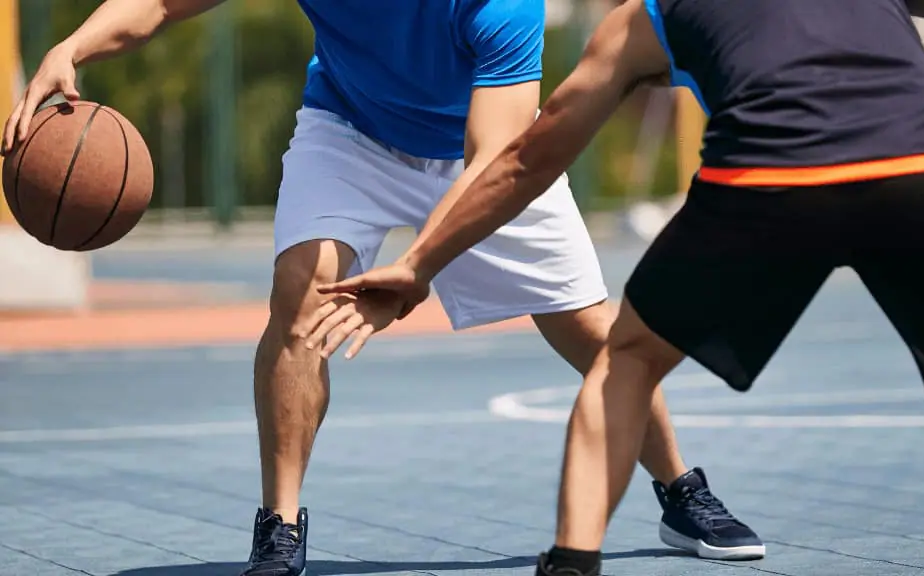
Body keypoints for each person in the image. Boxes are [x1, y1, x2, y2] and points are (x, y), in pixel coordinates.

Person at [1, 0, 769, 574]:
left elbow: (492, 160)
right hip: (350, 132)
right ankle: (281, 522)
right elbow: (165, 3)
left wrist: (419, 267)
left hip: (487, 157)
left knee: (593, 331)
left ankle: (679, 488)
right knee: (301, 295)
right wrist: (73, 46)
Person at [305, 0, 924, 574]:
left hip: (771, 178)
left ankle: (572, 563)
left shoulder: (647, 17)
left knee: (627, 360)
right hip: (922, 169)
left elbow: (529, 155)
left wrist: (419, 263)